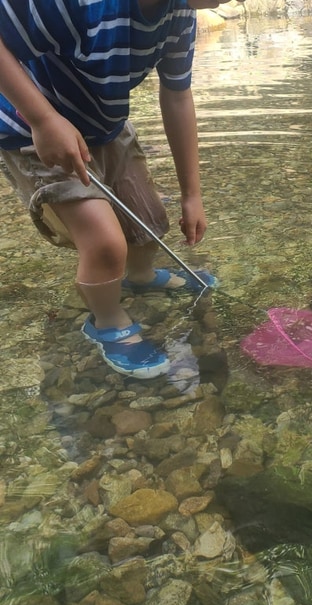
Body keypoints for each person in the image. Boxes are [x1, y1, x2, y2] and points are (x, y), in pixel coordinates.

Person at [0, 0, 243, 379]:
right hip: (32, 127)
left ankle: (141, 276)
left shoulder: (180, 15)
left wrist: (191, 195)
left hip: (106, 124)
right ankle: (107, 320)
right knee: (105, 243)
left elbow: (177, 95)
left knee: (148, 222)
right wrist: (43, 118)